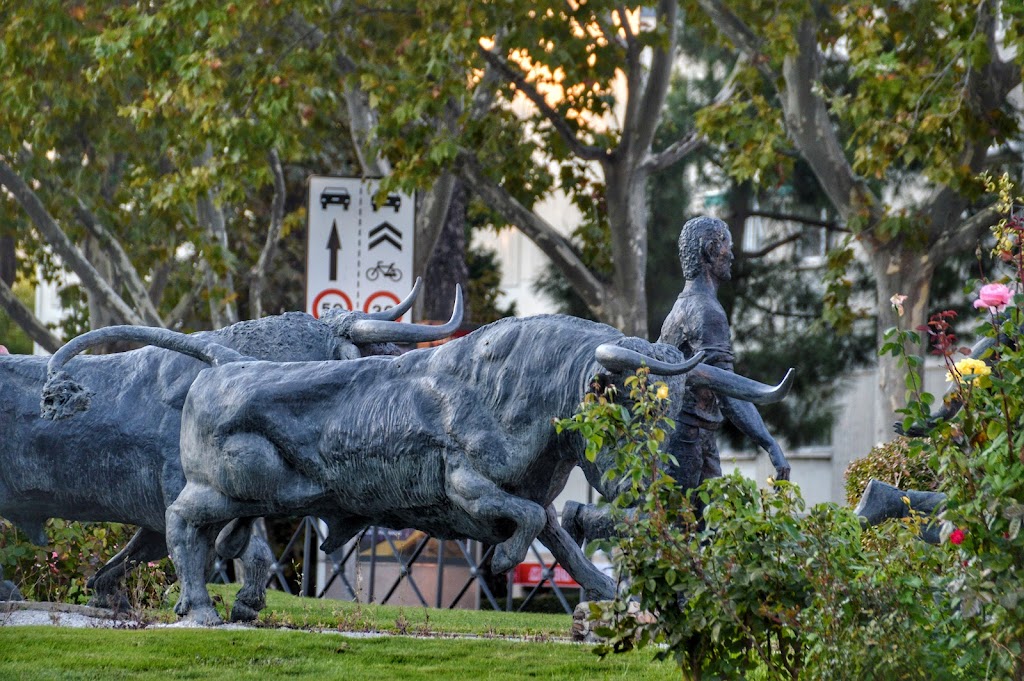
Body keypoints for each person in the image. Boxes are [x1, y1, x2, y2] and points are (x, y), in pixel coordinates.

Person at [562, 215, 790, 544]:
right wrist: (769, 443)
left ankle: (686, 595)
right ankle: (583, 519)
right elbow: (726, 389)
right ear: (711, 251)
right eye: (727, 247)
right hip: (686, 437)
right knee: (668, 522)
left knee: (706, 531)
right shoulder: (706, 312)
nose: (732, 255)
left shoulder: (683, 306)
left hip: (694, 435)